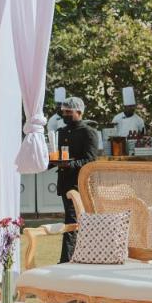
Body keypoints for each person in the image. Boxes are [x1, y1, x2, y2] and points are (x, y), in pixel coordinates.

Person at [56, 97, 100, 263]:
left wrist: (70, 164)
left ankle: (66, 260)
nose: (65, 115)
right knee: (71, 221)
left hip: (79, 183)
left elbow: (90, 160)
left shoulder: (88, 132)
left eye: (69, 112)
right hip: (65, 182)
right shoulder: (61, 132)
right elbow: (59, 156)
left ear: (79, 112)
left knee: (73, 222)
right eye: (64, 112)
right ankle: (71, 259)